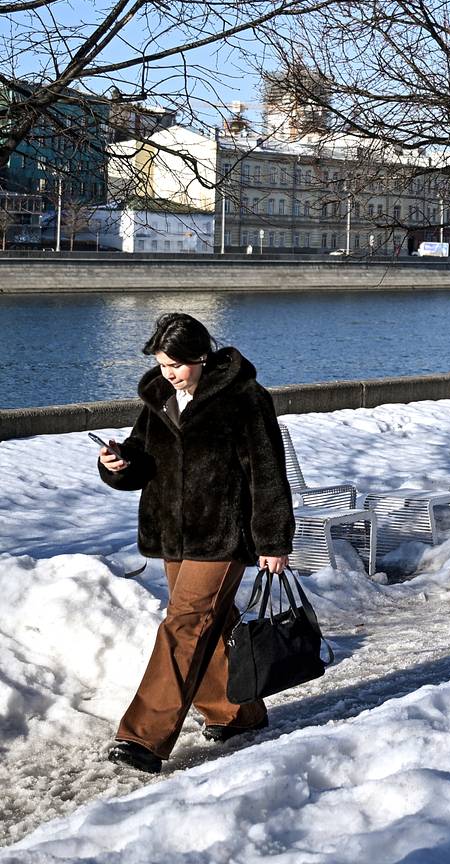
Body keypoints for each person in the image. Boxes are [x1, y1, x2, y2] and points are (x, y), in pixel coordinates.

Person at [96, 312, 295, 774]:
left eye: (177, 365)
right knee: (207, 622)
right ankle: (237, 713)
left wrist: (272, 538)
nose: (169, 373)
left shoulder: (246, 399)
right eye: (163, 364)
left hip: (223, 535)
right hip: (172, 534)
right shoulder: (159, 399)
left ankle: (143, 737)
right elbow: (142, 462)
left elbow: (267, 475)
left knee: (185, 623)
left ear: (202, 357)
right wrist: (118, 463)